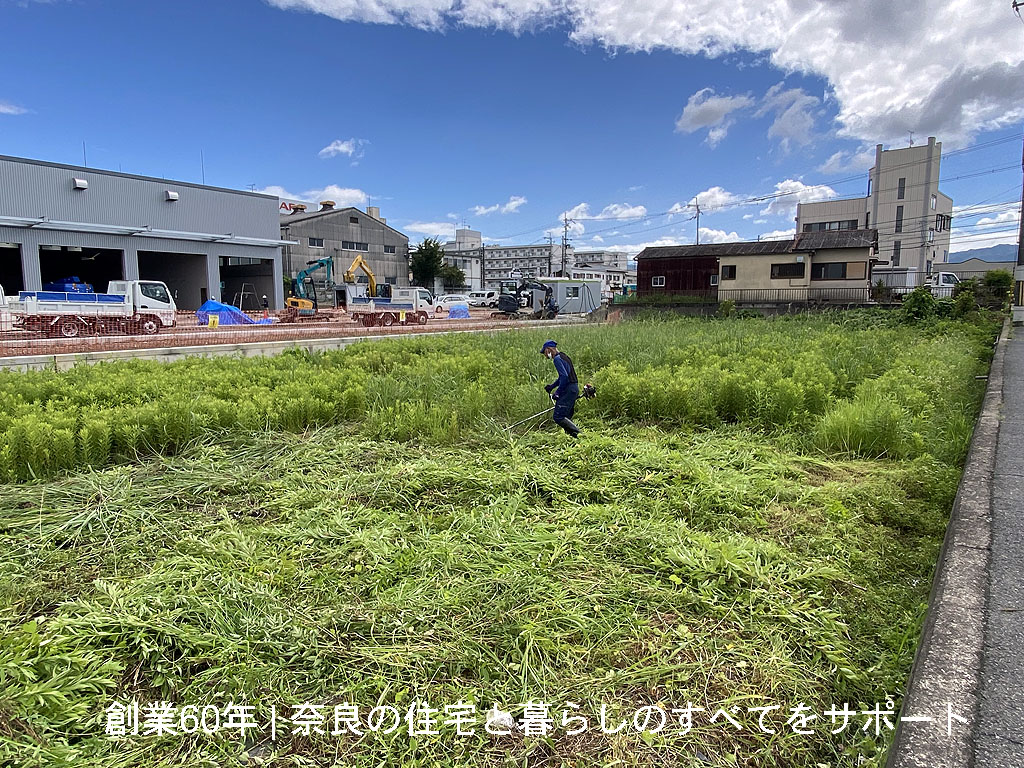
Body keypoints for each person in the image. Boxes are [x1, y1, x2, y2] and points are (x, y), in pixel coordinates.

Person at [541, 340, 582, 438]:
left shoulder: (557, 359)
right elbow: (563, 376)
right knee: (567, 416)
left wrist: (558, 392)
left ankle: (580, 435)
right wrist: (552, 386)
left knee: (558, 416)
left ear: (549, 350)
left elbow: (564, 377)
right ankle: (573, 439)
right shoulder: (564, 356)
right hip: (574, 388)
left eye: (545, 353)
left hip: (568, 389)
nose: (545, 356)